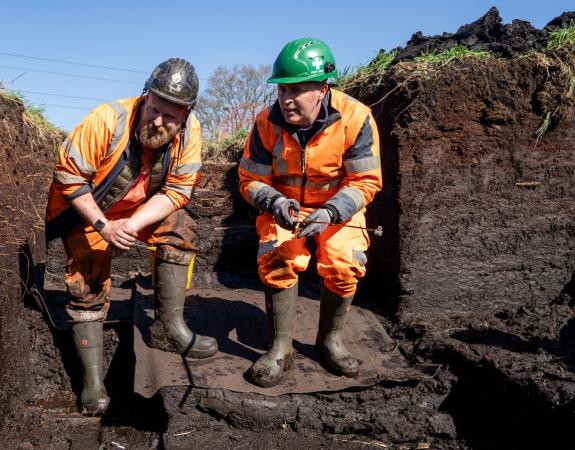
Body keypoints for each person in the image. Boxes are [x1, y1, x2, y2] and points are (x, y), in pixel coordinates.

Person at [45, 58, 218, 416]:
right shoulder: (107, 119)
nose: (158, 121)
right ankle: (92, 381)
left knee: (180, 226)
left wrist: (133, 224)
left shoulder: (191, 131)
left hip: (135, 210)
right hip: (86, 210)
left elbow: (177, 191)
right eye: (154, 109)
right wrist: (104, 226)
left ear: (186, 114)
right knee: (87, 276)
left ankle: (169, 329)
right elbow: (69, 177)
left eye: (170, 117)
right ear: (145, 96)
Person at [238, 38, 382, 387]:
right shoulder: (264, 124)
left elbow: (366, 181)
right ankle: (281, 347)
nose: (286, 99)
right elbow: (249, 180)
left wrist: (332, 211)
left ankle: (329, 340)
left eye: (297, 90)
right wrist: (276, 203)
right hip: (286, 207)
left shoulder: (356, 118)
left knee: (345, 262)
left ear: (322, 87)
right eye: (281, 90)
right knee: (277, 256)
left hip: (338, 208)